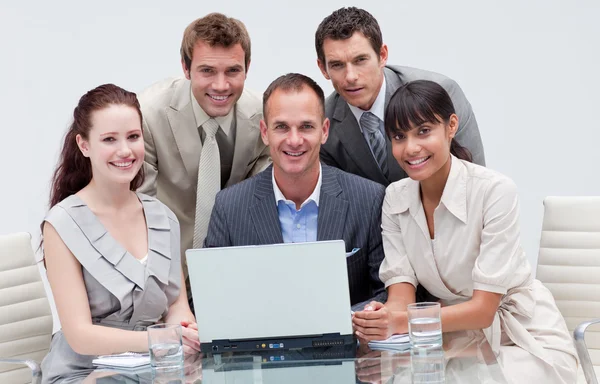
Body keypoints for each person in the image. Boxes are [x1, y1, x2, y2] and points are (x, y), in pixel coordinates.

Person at [351, 80, 577, 383]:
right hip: (453, 339)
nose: (411, 148)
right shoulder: (395, 198)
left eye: (423, 131)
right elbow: (401, 291)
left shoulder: (495, 191)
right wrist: (381, 318)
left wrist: (401, 320)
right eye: (399, 136)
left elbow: (484, 310)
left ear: (451, 126)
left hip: (524, 338)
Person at [39, 84, 199, 383]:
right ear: (84, 145)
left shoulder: (163, 216)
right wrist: (160, 341)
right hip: (85, 372)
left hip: (156, 368)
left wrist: (183, 331)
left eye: (133, 137)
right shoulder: (61, 224)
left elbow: (178, 306)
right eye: (109, 139)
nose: (125, 151)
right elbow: (80, 335)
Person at [204, 73, 386, 309]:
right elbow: (212, 297)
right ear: (264, 132)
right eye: (281, 127)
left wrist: (348, 318)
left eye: (306, 127)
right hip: (262, 343)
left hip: (346, 342)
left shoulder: (369, 199)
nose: (294, 140)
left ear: (325, 131)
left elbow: (385, 292)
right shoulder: (229, 207)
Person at [137, 13, 270, 293]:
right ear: (186, 69)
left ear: (247, 68)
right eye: (207, 70)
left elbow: (262, 203)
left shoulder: (264, 116)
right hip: (164, 267)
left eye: (233, 71)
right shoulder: (148, 113)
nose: (221, 85)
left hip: (239, 272)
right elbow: (140, 210)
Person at [315, 7, 485, 187]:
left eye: (360, 60)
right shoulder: (322, 124)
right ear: (323, 68)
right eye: (337, 65)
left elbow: (475, 182)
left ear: (382, 56)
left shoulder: (441, 92)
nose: (350, 76)